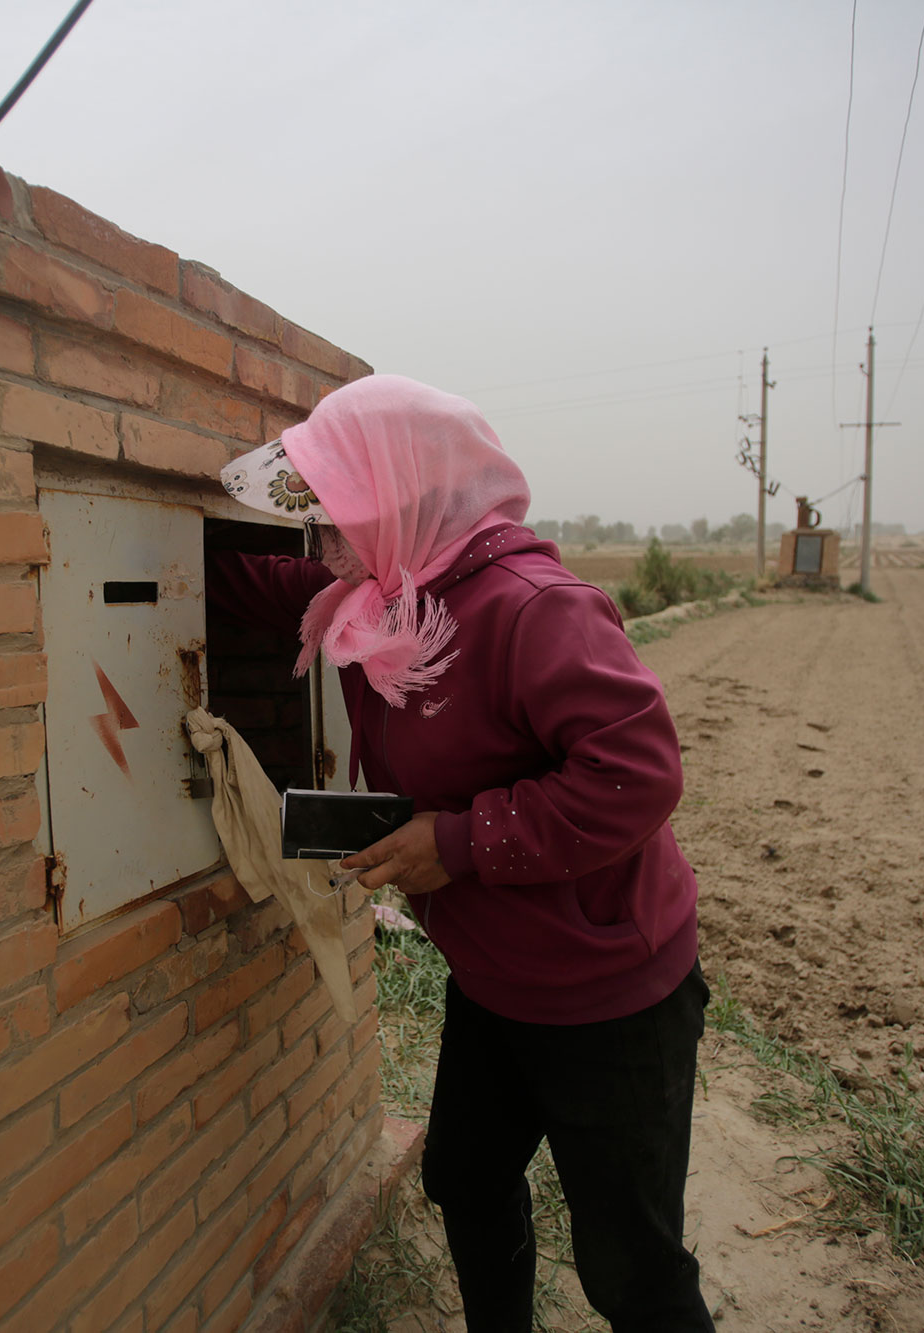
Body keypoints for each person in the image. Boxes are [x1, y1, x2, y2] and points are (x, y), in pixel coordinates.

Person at [207, 375, 715, 1332]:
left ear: (399, 502)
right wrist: (165, 552)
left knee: (632, 1271)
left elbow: (636, 773)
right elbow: (267, 585)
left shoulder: (534, 609)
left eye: (335, 516)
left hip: (607, 991)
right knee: (466, 1176)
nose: (319, 544)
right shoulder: (381, 598)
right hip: (495, 978)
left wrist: (458, 842)